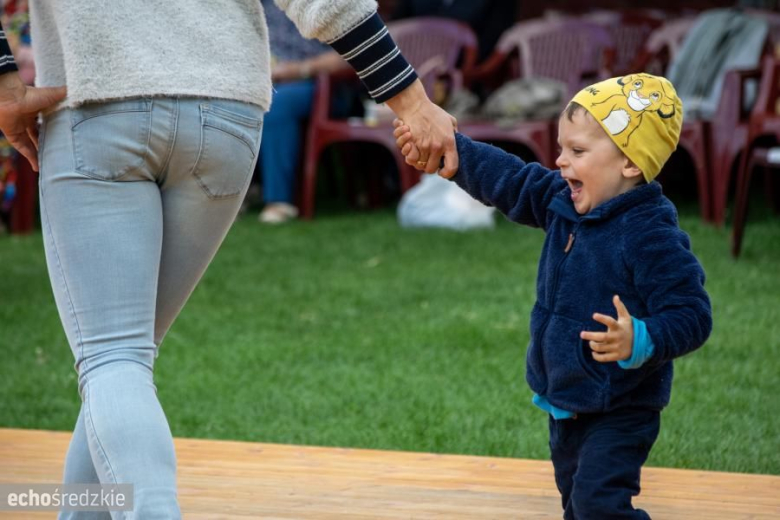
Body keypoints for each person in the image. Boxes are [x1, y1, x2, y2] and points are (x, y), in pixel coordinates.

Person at [0, 1, 457, 517]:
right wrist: (414, 103)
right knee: (126, 360)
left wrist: (5, 86)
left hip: (99, 107)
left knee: (114, 357)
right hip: (224, 118)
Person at [394, 73, 712, 519]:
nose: (561, 162)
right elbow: (509, 179)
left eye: (578, 152)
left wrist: (641, 338)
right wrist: (452, 150)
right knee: (576, 507)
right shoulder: (563, 201)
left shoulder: (649, 234)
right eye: (562, 148)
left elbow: (692, 313)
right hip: (568, 398)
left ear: (630, 164)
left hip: (621, 405)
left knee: (598, 507)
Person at [257, 0, 351, 224]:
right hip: (266, 79)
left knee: (277, 104)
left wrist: (298, 70)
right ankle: (231, 196)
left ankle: (278, 201)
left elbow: (348, 56)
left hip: (320, 85)